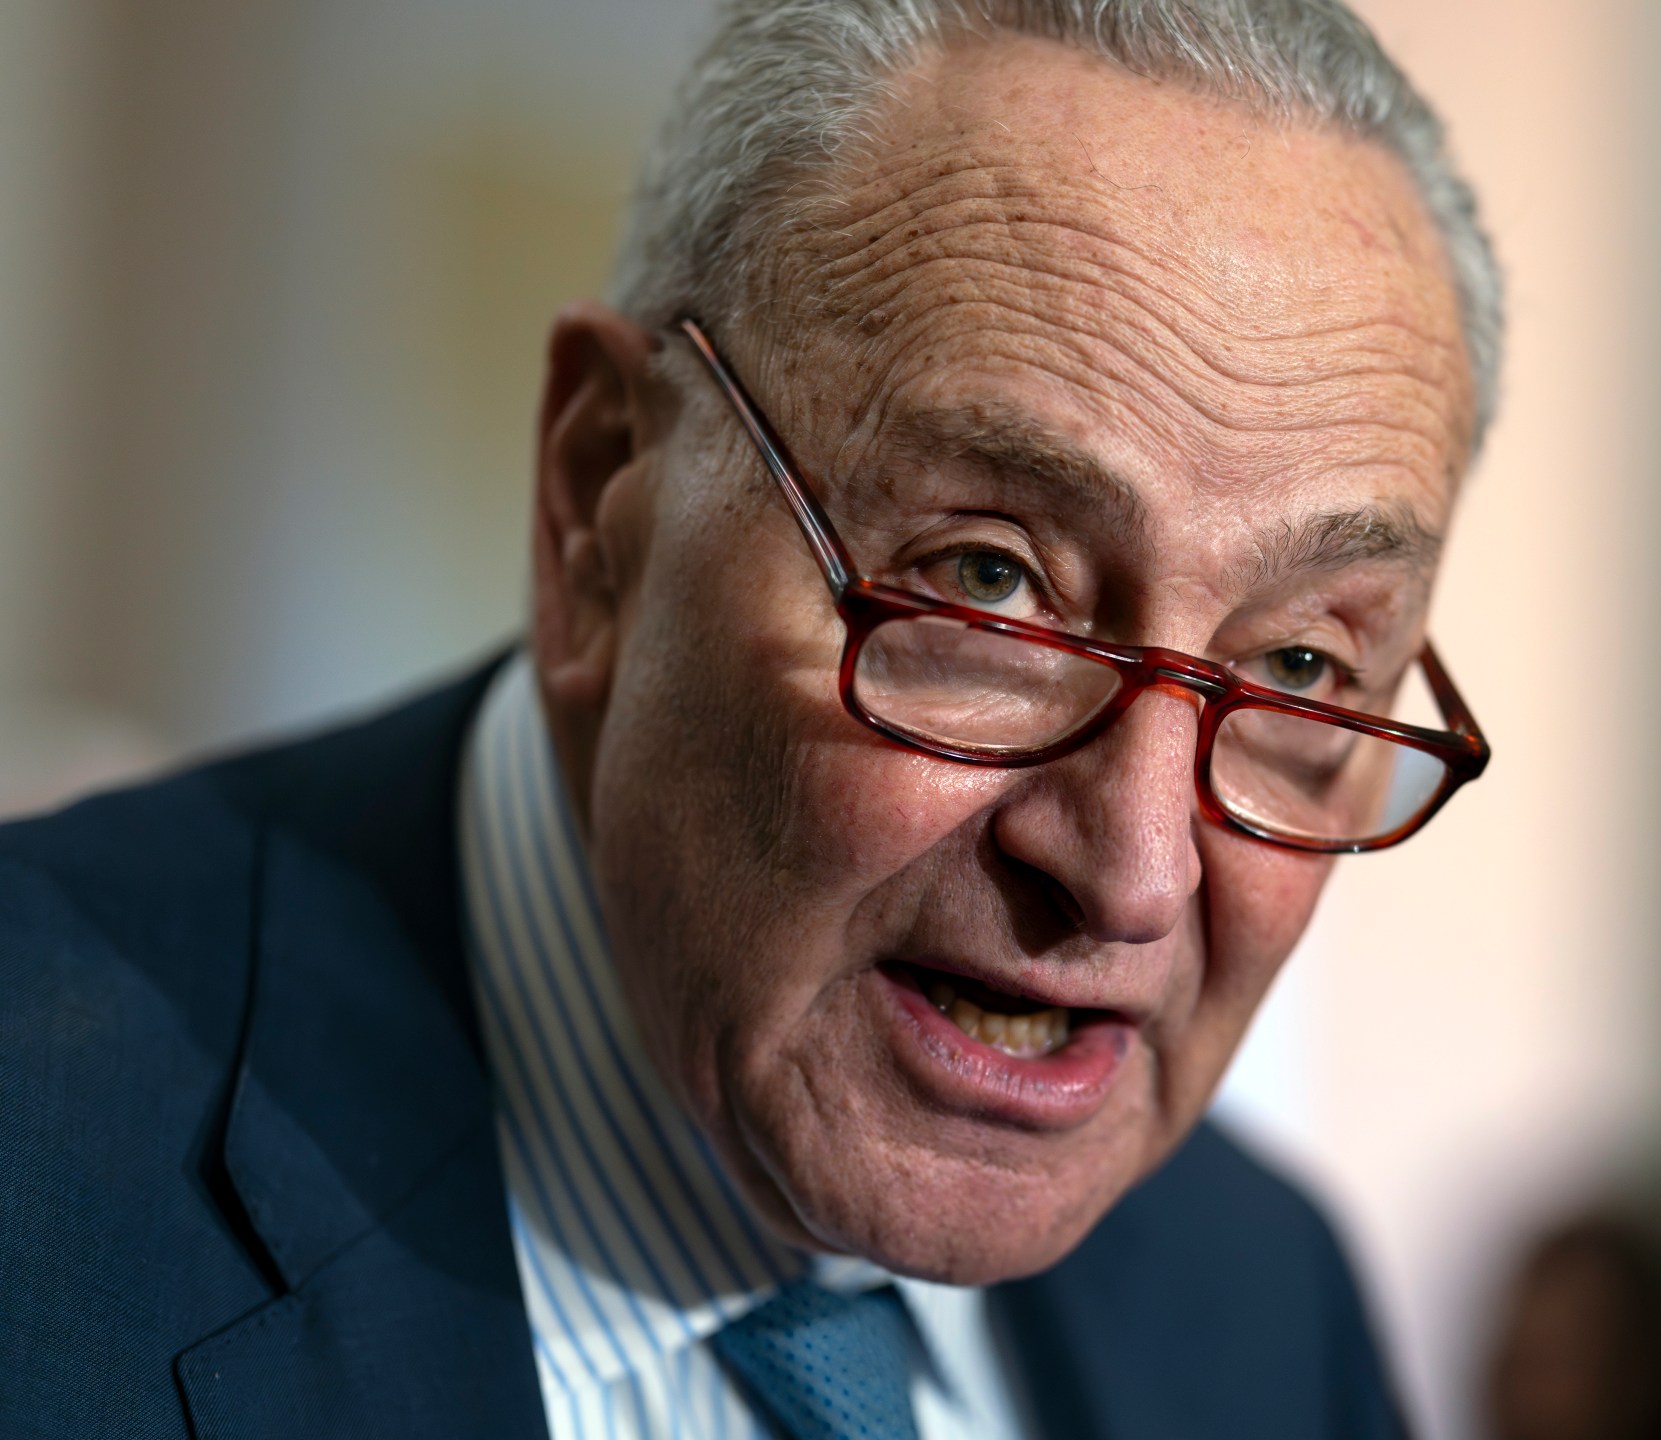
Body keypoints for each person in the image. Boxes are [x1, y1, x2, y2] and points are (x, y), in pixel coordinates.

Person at [0, 3, 1501, 1435]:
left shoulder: (1263, 1306)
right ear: (600, 499)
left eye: (1304, 667)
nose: (1133, 872)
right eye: (990, 584)